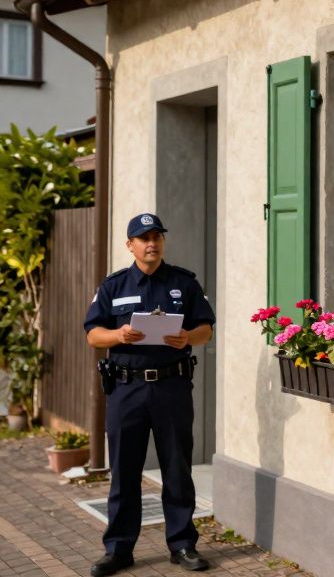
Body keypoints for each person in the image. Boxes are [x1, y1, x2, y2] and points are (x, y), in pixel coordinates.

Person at [83, 213, 215, 575]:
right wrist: (119, 335)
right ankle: (118, 550)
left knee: (177, 467)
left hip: (172, 387)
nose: (151, 243)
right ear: (131, 245)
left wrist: (189, 337)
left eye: (156, 237)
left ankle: (183, 545)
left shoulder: (183, 283)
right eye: (143, 238)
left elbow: (206, 328)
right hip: (126, 389)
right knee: (124, 471)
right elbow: (93, 334)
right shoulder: (113, 285)